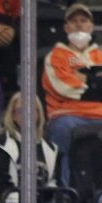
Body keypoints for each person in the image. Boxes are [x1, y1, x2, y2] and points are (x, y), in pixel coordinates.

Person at [43, 4, 102, 182]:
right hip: (66, 116)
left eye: (83, 21)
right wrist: (96, 83)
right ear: (66, 27)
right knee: (61, 129)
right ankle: (62, 191)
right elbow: (62, 87)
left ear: (91, 26)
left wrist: (82, 78)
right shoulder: (55, 56)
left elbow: (74, 85)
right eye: (74, 21)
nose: (79, 25)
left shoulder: (100, 55)